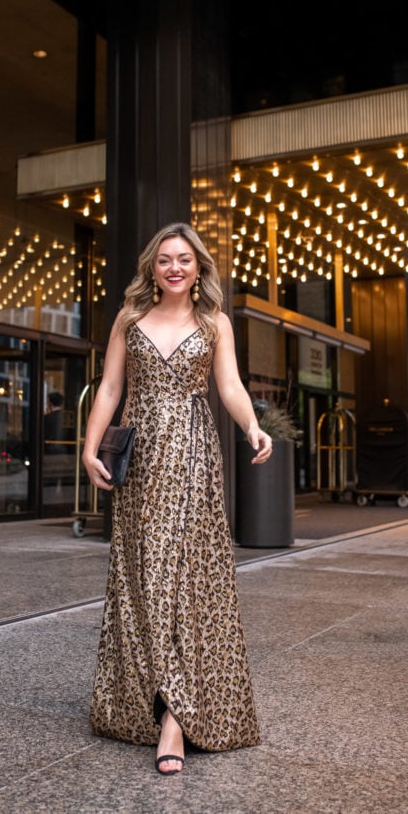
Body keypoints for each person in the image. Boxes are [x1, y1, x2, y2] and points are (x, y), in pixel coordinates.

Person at [82, 222, 273, 776]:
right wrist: (90, 448)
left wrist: (252, 428)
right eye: (164, 259)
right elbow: (112, 387)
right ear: (152, 266)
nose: (174, 267)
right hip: (140, 462)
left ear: (198, 268)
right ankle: (143, 701)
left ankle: (176, 720)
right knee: (143, 575)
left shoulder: (215, 323)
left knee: (185, 578)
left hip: (192, 457)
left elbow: (230, 385)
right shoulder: (129, 318)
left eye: (184, 260)